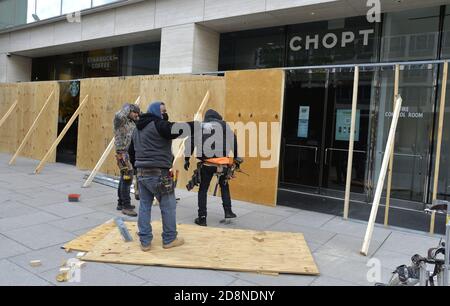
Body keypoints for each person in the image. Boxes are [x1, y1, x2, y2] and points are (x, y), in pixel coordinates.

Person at [132, 101, 192, 251]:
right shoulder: (158, 124)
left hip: (141, 173)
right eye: (163, 111)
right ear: (155, 112)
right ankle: (170, 239)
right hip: (159, 173)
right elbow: (177, 129)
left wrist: (137, 168)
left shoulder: (137, 129)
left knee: (144, 206)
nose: (165, 113)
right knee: (168, 206)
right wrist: (197, 125)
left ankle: (145, 242)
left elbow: (130, 152)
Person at [184, 109, 242, 227]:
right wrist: (236, 157)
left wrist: (186, 159)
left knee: (203, 190)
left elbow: (190, 142)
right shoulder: (224, 125)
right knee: (224, 186)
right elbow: (234, 140)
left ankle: (202, 218)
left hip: (208, 164)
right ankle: (228, 211)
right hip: (224, 164)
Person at [113, 103, 140, 217]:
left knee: (124, 178)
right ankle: (126, 206)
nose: (136, 115)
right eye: (134, 112)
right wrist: (128, 107)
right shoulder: (120, 121)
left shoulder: (131, 122)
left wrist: (138, 114)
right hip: (122, 153)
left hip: (128, 153)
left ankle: (120, 202)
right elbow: (119, 115)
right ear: (128, 111)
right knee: (127, 179)